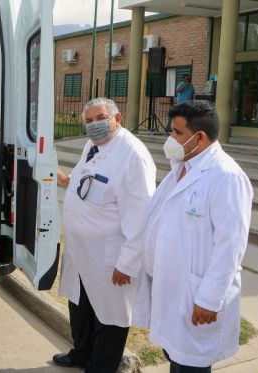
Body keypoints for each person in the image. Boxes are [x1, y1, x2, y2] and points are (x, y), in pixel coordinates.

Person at [142, 101, 253, 371]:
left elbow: (231, 245)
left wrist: (209, 299)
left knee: (191, 365)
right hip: (173, 289)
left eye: (177, 133)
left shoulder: (226, 176)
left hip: (197, 297)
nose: (170, 138)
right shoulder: (181, 166)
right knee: (177, 359)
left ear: (199, 138)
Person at [54, 98, 156, 372]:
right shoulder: (93, 145)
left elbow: (141, 216)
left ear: (117, 118)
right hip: (82, 251)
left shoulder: (133, 155)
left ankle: (101, 366)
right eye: (88, 121)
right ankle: (81, 353)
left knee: (110, 316)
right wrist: (67, 180)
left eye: (99, 118)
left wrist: (127, 263)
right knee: (81, 307)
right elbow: (89, 176)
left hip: (109, 257)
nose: (93, 125)